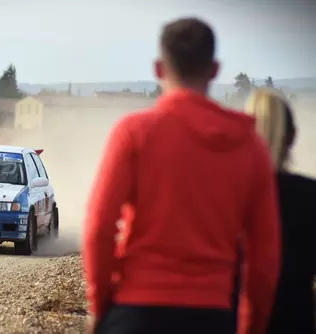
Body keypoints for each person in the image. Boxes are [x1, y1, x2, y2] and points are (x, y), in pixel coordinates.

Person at [81, 17, 281, 334]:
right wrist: (250, 325)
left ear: (159, 69)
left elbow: (98, 227)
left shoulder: (134, 133)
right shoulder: (250, 146)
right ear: (214, 70)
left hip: (137, 311)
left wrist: (101, 306)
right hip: (212, 314)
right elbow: (265, 254)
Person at [235, 87, 316, 334]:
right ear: (291, 136)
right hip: (296, 320)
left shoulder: (231, 195)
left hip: (235, 320)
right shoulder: (310, 194)